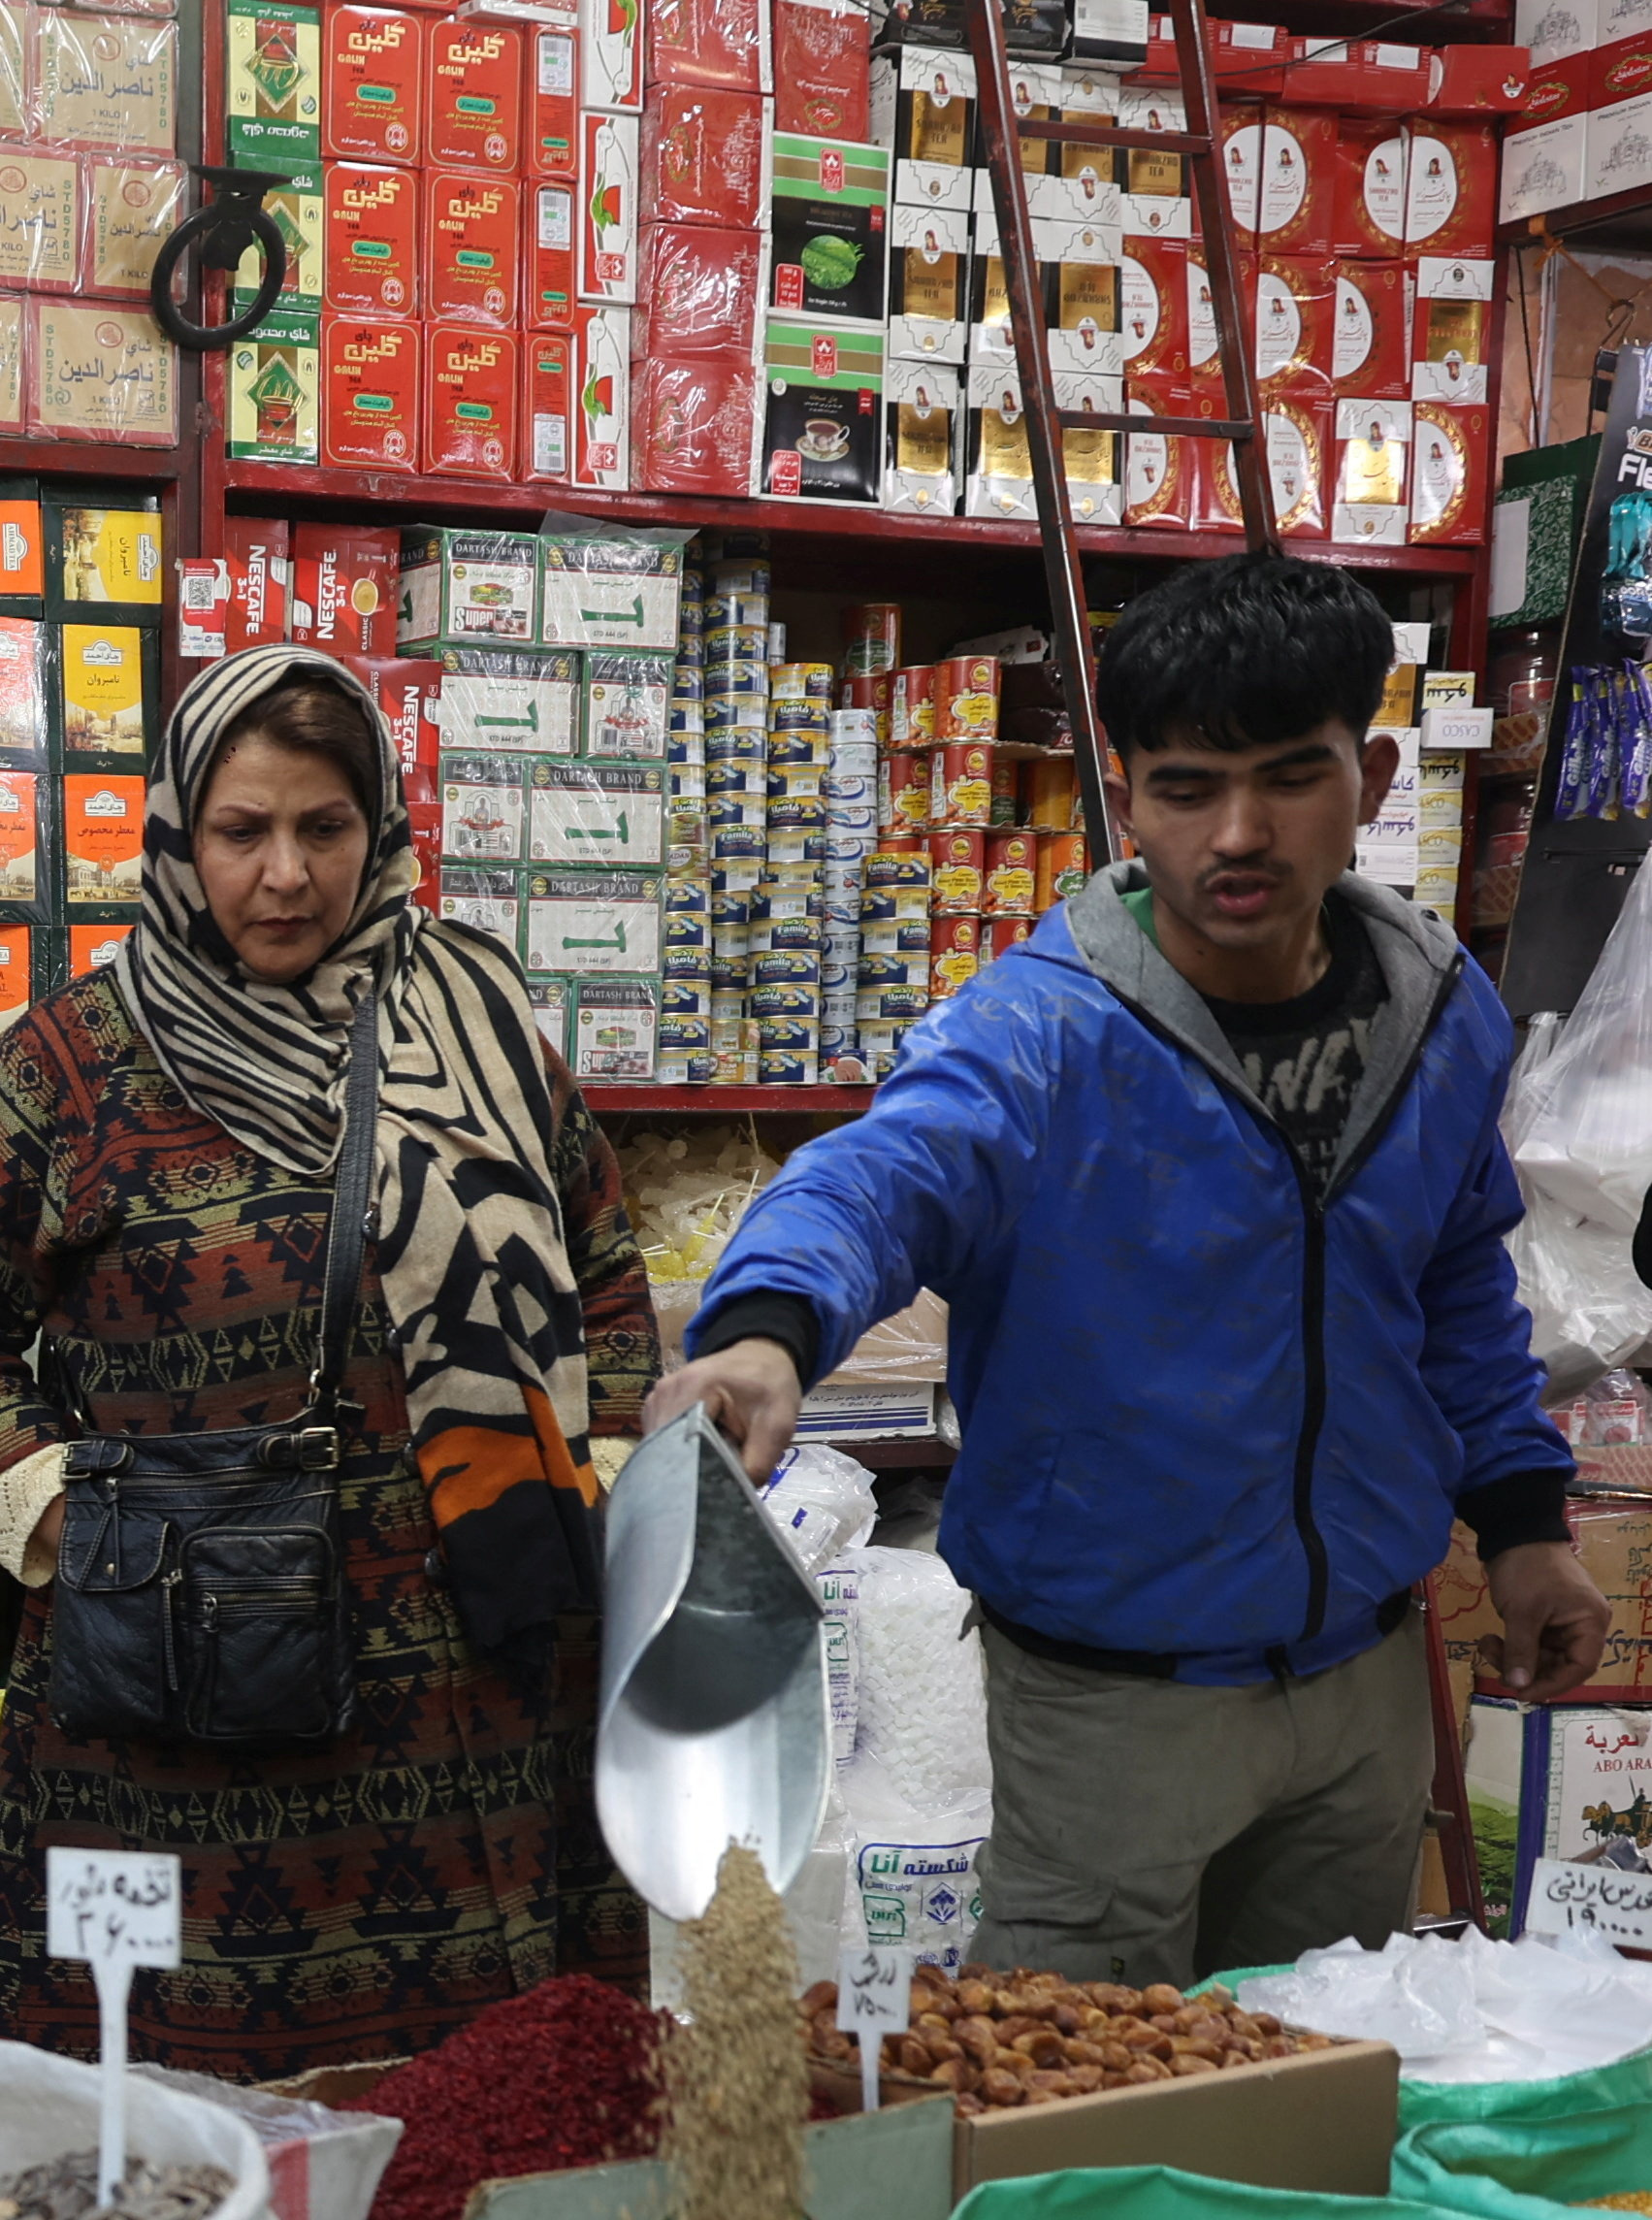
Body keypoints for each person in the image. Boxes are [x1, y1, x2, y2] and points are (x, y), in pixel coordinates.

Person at [651, 554, 1607, 1982]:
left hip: (1358, 1683)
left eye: (1289, 776)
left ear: (1373, 772)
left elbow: (1456, 1284)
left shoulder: (1438, 1009)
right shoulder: (1040, 1034)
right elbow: (876, 1177)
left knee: (1312, 2094)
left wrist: (1522, 1525)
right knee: (1076, 2113)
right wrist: (764, 1331)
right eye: (1181, 786)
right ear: (1124, 792)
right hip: (1109, 1707)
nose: (1235, 831)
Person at [0, 640, 658, 2079]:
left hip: (465, 1706)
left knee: (468, 2114)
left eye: (324, 828)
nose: (284, 874)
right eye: (241, 832)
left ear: (381, 833)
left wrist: (588, 1487)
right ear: (178, 833)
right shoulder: (75, 1061)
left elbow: (605, 1283)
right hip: (178, 1697)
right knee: (170, 2134)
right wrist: (54, 1514)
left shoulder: (478, 1030)